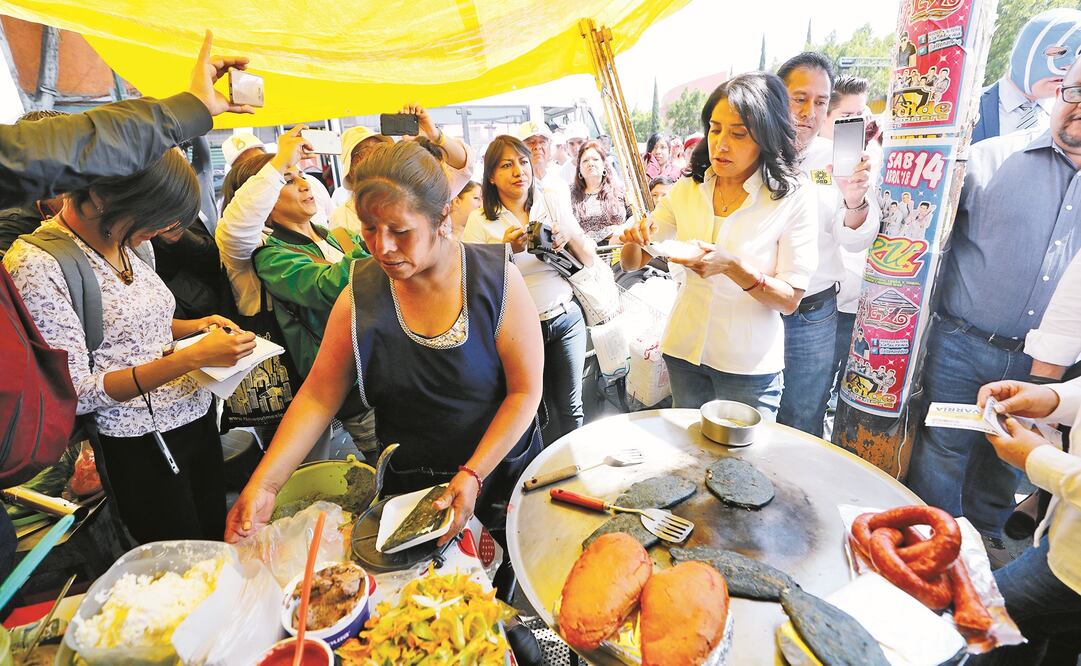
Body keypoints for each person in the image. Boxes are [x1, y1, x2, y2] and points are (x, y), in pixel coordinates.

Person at [225, 141, 544, 546]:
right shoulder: (359, 293)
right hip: (410, 492)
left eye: (400, 231)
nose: (382, 248)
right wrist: (266, 485)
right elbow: (319, 396)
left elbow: (525, 391)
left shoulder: (495, 278)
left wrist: (474, 473)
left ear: (441, 217)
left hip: (500, 476)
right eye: (370, 229)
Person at [4, 149, 257, 544]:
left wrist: (195, 328)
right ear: (105, 198)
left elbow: (139, 324)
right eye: (154, 215)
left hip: (194, 417)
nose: (160, 229)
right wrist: (192, 356)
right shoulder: (38, 264)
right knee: (178, 559)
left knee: (215, 538)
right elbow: (79, 392)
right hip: (140, 445)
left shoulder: (131, 242)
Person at [906, 57, 1081, 567]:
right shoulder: (988, 159)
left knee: (1008, 463)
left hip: (1048, 370)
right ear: (1055, 89)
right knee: (944, 452)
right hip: (962, 344)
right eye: (1076, 91)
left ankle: (986, 551)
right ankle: (932, 551)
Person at [618, 73, 818, 416]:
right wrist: (634, 237)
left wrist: (732, 266)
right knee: (687, 457)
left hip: (748, 367)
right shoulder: (689, 188)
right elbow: (632, 262)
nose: (721, 144)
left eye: (738, 134)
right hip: (684, 351)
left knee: (741, 464)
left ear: (765, 137)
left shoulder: (791, 197)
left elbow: (789, 299)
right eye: (715, 129)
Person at [217, 126, 374, 459]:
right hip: (308, 385)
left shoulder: (338, 236)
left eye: (301, 175)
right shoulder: (266, 254)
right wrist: (374, 246)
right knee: (306, 473)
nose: (305, 184)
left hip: (367, 370)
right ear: (264, 201)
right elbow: (329, 286)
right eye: (288, 180)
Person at [463, 135, 596, 440]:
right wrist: (505, 248)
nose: (519, 171)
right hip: (518, 330)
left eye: (523, 162)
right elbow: (471, 280)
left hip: (565, 318)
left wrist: (566, 236)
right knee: (530, 410)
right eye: (507, 165)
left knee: (571, 407)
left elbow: (587, 258)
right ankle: (533, 475)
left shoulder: (550, 201)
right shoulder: (480, 220)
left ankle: (573, 471)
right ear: (492, 176)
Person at [774, 53, 878, 438]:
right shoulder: (752, 155)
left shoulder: (837, 160)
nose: (809, 112)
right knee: (750, 413)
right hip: (755, 307)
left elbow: (855, 239)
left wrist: (854, 200)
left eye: (820, 102)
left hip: (812, 315)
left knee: (803, 416)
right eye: (798, 98)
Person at [968, 379, 1081, 665]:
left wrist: (1038, 459)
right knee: (1043, 631)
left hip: (1072, 566)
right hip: (1066, 536)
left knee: (984, 612)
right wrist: (1053, 398)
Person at [331, 106, 474, 236]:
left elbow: (464, 165)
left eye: (380, 148)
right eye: (362, 153)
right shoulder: (343, 216)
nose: (374, 155)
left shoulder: (418, 189)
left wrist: (434, 134)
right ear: (351, 169)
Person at [972, 9, 1081, 144]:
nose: (1068, 67)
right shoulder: (966, 106)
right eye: (1058, 53)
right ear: (1024, 52)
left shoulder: (1073, 118)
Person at [220, 131, 334, 222]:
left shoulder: (312, 183)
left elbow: (331, 221)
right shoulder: (244, 213)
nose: (304, 186)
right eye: (288, 181)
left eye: (258, 158)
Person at [571, 140, 631, 243]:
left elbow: (635, 216)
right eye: (585, 160)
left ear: (604, 165)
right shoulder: (569, 195)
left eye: (595, 159)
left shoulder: (620, 191)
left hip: (618, 252)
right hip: (583, 254)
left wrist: (622, 230)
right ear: (579, 168)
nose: (590, 163)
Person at [329, 126, 392, 210]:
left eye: (380, 146)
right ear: (353, 165)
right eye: (367, 149)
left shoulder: (400, 187)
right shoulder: (341, 200)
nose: (378, 153)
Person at [516, 121, 569, 196]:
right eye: (531, 142)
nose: (538, 147)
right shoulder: (517, 185)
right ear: (519, 149)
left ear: (550, 148)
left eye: (542, 142)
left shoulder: (560, 184)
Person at [559, 121, 590, 186]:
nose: (576, 148)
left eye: (580, 142)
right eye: (571, 144)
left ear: (588, 141)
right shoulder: (563, 173)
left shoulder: (601, 164)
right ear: (566, 145)